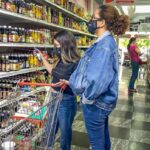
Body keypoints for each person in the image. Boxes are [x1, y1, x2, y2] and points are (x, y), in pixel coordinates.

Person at [60, 4, 129, 150]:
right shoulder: (104, 43)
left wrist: (87, 98)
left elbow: (97, 80)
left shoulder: (104, 45)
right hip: (101, 102)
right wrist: (72, 82)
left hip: (96, 103)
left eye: (93, 18)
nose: (90, 21)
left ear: (102, 22)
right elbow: (90, 72)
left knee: (96, 143)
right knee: (102, 139)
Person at [37, 30, 80, 150]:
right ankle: (47, 147)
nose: (55, 48)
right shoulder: (61, 59)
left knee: (65, 131)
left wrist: (69, 83)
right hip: (54, 98)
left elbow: (79, 83)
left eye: (57, 45)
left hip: (66, 100)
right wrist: (42, 58)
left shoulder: (76, 62)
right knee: (50, 127)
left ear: (65, 44)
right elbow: (53, 72)